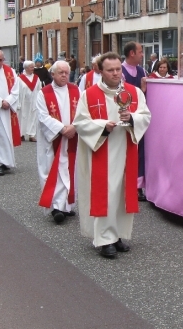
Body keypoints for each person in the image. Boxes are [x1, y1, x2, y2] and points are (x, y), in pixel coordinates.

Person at [74, 52, 151, 258]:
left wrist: (132, 117)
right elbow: (80, 123)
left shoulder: (134, 92)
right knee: (106, 194)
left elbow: (146, 115)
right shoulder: (88, 95)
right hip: (102, 150)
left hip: (126, 149)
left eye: (118, 69)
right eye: (110, 70)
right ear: (100, 71)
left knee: (120, 194)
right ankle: (104, 239)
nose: (116, 73)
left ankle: (116, 236)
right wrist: (102, 126)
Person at [36, 61, 80, 224]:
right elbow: (43, 116)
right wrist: (62, 129)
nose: (64, 75)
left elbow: (82, 111)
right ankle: (55, 206)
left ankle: (66, 205)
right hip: (53, 139)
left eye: (66, 72)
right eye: (60, 72)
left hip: (72, 138)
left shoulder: (76, 90)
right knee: (52, 169)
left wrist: (74, 127)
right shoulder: (44, 93)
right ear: (52, 74)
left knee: (69, 170)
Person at [121, 42, 148, 201]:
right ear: (132, 53)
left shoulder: (142, 71)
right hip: (126, 118)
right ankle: (125, 184)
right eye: (140, 51)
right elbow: (121, 96)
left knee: (140, 153)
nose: (142, 54)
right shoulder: (121, 72)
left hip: (138, 118)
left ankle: (138, 186)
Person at [17, 60, 41, 143]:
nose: (33, 69)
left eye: (33, 67)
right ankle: (21, 134)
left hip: (34, 100)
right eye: (31, 67)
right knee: (22, 117)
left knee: (33, 117)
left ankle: (32, 135)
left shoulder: (36, 78)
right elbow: (17, 91)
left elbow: (39, 89)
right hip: (23, 102)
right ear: (26, 68)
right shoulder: (20, 79)